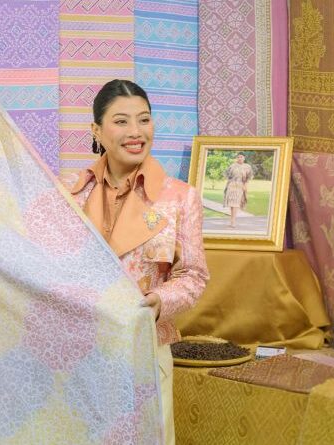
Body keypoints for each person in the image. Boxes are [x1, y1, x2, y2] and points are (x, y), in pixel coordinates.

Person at [64, 79, 209, 445]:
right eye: (121, 121)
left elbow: (193, 276)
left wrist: (161, 301)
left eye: (144, 119)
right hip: (81, 351)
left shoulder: (180, 198)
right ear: (96, 130)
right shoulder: (69, 193)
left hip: (144, 348)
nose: (136, 132)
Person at [222, 153, 253, 228]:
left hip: (240, 186)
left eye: (241, 157)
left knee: (236, 203)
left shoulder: (247, 167)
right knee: (231, 204)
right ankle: (232, 221)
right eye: (238, 157)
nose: (239, 158)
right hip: (231, 185)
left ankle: (233, 221)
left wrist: (245, 185)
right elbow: (226, 174)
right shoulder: (232, 166)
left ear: (244, 158)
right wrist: (229, 181)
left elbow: (249, 177)